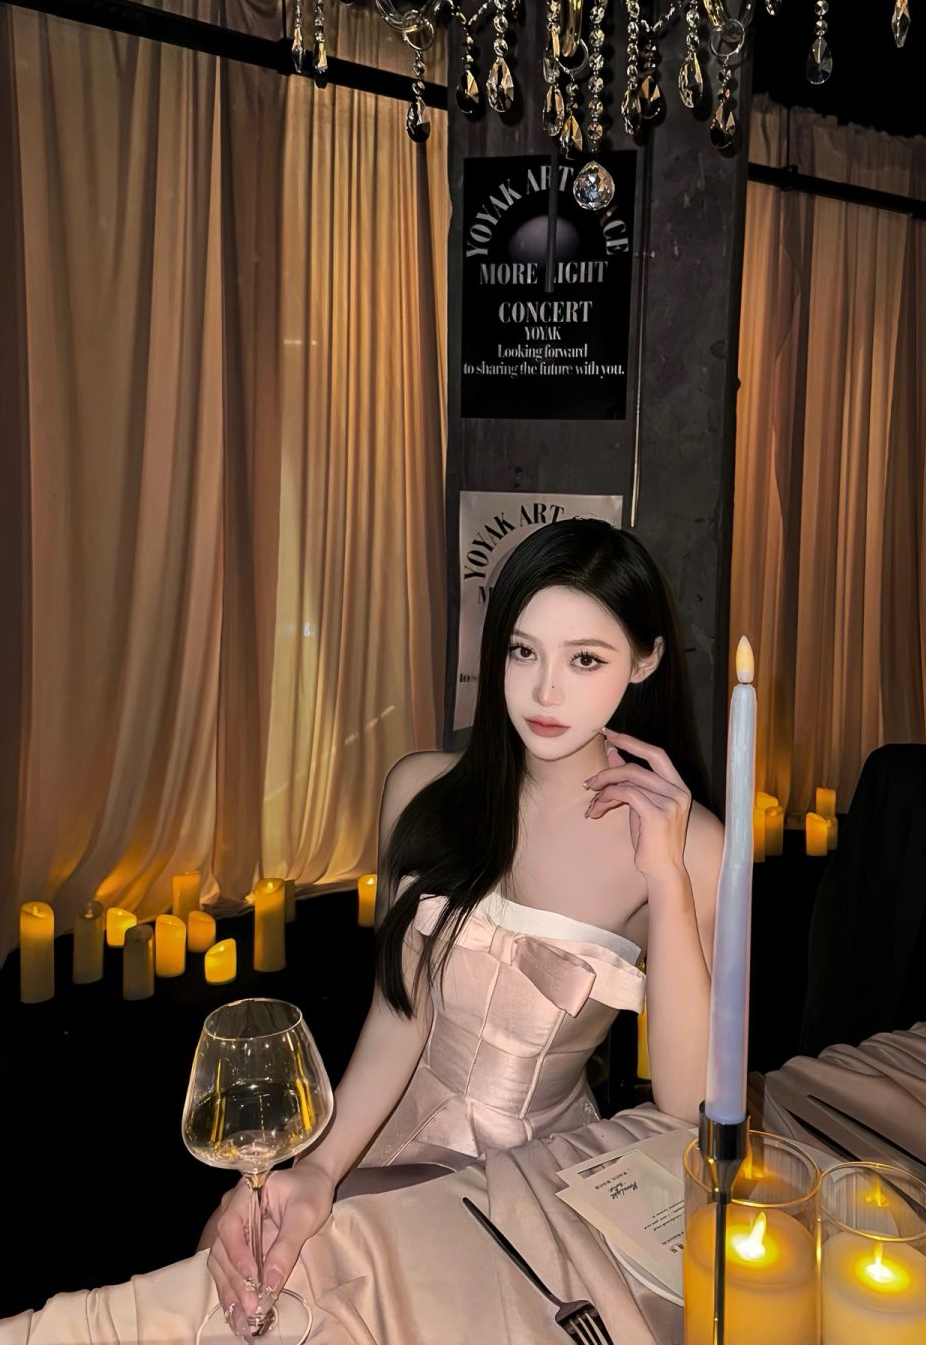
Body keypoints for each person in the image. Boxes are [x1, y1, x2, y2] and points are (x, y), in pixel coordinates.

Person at [202, 518, 724, 1334]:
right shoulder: (420, 789)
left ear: (646, 660)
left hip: (543, 1173)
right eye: (523, 652)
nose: (545, 693)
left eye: (585, 660)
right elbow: (399, 1017)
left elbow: (691, 1103)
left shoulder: (694, 845)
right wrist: (320, 1168)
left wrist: (666, 877)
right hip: (387, 1132)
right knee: (252, 1267)